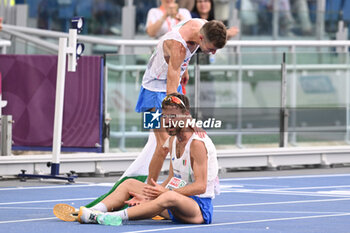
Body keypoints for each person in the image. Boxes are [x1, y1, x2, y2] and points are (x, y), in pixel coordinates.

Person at [76, 93, 219, 225]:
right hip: (174, 203)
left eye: (173, 116)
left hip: (198, 209)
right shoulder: (173, 141)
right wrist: (151, 195)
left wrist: (162, 194)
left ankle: (114, 217)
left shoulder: (197, 144)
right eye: (165, 117)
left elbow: (201, 186)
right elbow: (172, 178)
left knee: (168, 196)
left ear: (186, 116)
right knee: (130, 184)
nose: (168, 122)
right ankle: (94, 211)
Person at [135, 19, 226, 185]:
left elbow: (179, 66)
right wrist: (185, 119)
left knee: (175, 140)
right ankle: (149, 190)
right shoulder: (177, 47)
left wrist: (185, 67)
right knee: (164, 145)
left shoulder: (205, 25)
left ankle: (171, 182)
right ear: (201, 38)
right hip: (154, 91)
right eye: (211, 48)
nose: (213, 53)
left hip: (172, 80)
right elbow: (170, 92)